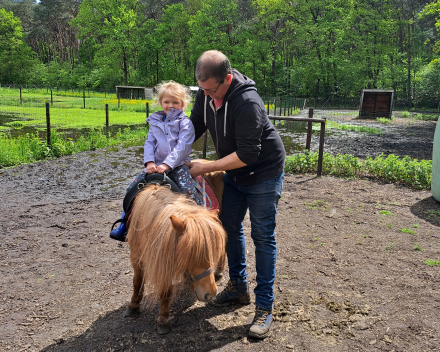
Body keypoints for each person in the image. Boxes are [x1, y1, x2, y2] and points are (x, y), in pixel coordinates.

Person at [185, 50, 285, 339]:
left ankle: (264, 306)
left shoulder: (247, 102)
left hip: (263, 172)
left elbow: (248, 154)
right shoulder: (207, 93)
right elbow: (193, 128)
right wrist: (167, 149)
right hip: (236, 172)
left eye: (211, 90)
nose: (206, 96)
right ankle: (238, 288)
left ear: (226, 79)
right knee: (228, 226)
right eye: (201, 90)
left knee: (263, 236)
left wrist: (208, 167)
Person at [110, 81, 203, 241]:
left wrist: (167, 165)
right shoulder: (155, 122)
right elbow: (150, 143)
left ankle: (200, 225)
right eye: (167, 102)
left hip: (177, 167)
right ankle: (124, 224)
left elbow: (183, 146)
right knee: (131, 189)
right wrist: (149, 163)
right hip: (155, 167)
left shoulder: (186, 124)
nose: (171, 105)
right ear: (161, 103)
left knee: (190, 194)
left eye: (175, 102)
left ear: (183, 104)